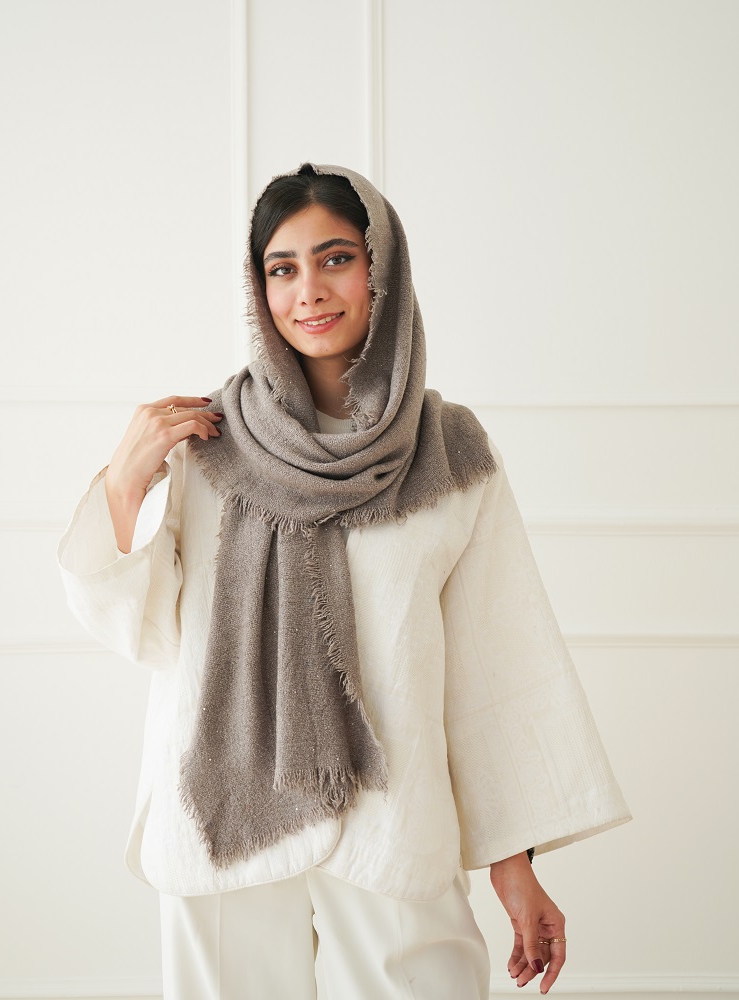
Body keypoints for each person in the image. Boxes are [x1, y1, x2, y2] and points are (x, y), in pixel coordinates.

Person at [58, 163, 630, 999]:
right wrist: (123, 485)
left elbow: (494, 660)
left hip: (390, 820)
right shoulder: (209, 444)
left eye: (336, 259)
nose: (309, 291)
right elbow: (139, 632)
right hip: (223, 817)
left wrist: (514, 863)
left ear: (383, 268)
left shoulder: (449, 450)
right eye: (282, 269)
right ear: (258, 290)